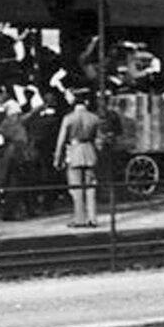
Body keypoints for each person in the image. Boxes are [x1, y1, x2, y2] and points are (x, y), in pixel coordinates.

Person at [55, 91, 100, 228]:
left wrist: (58, 158)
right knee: (91, 187)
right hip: (89, 151)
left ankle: (80, 219)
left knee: (76, 187)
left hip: (74, 152)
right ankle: (92, 218)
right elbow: (98, 139)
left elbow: (61, 141)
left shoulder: (69, 118)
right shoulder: (94, 118)